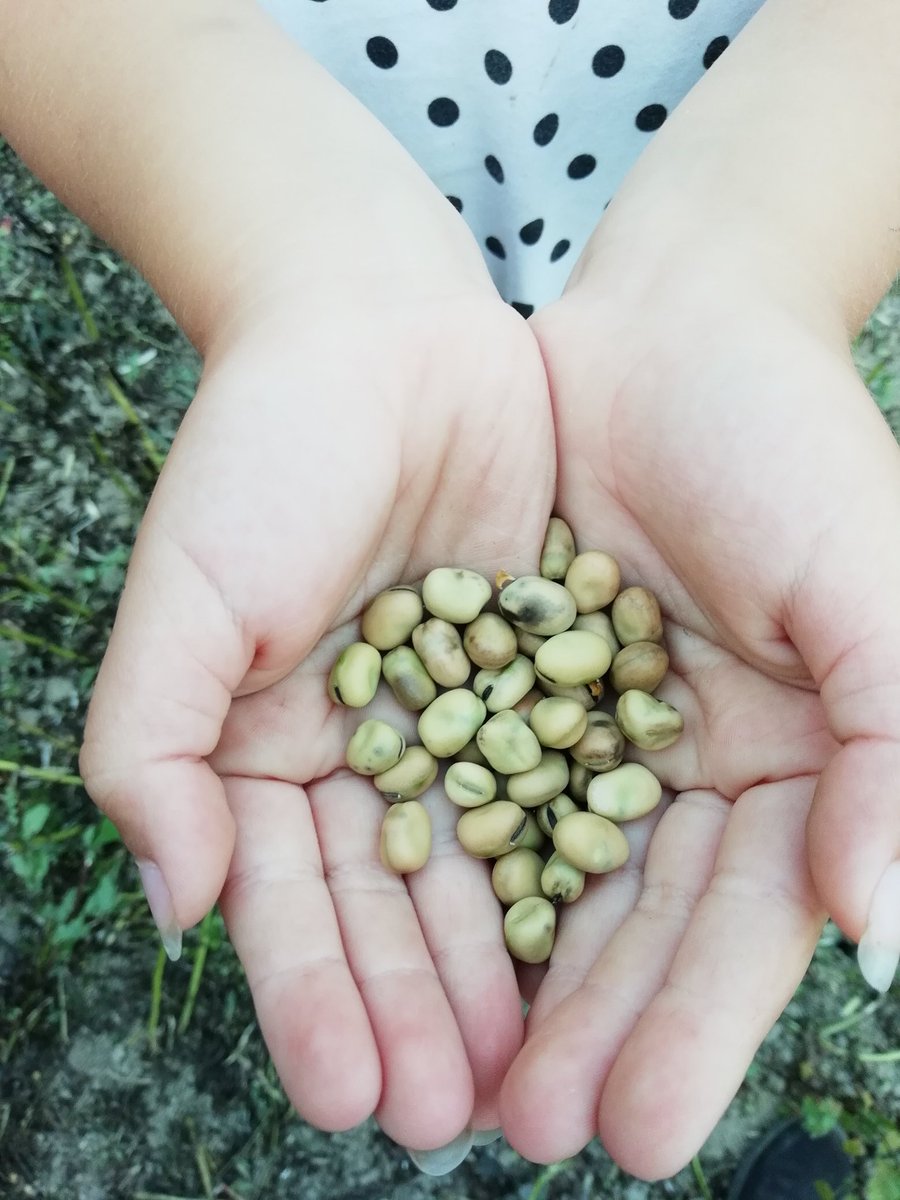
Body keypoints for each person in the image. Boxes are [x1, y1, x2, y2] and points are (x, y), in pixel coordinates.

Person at [0, 0, 896, 1185]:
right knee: (308, 467)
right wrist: (294, 271)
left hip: (762, 147)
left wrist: (759, 267)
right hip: (277, 167)